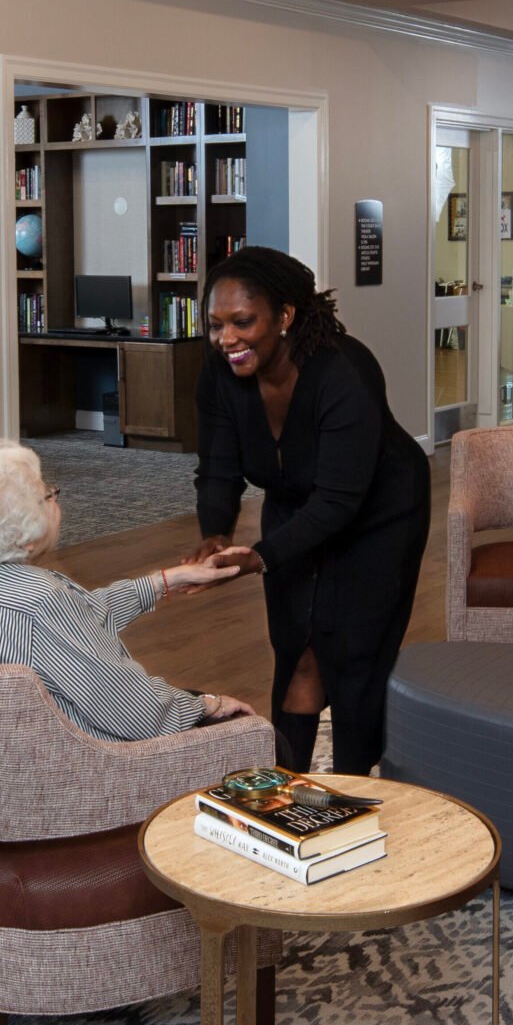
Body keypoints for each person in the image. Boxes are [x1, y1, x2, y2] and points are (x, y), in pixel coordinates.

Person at [191, 248, 430, 774]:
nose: (226, 338)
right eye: (215, 325)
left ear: (285, 316)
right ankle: (288, 787)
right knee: (297, 647)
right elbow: (218, 468)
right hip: (294, 508)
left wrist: (262, 555)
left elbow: (341, 500)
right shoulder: (220, 376)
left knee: (354, 656)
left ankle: (354, 786)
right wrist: (215, 531)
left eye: (241, 322)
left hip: (379, 512)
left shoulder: (344, 370)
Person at [0, 437, 254, 741]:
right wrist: (209, 704)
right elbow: (137, 713)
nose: (55, 499)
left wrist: (167, 580)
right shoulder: (41, 603)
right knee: (252, 731)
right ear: (24, 537)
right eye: (47, 495)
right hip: (65, 766)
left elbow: (79, 619)